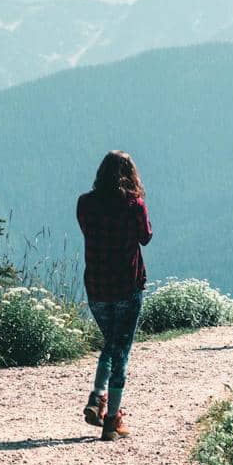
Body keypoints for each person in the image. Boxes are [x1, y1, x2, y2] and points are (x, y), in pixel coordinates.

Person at [76, 150, 152, 441]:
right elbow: (145, 237)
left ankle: (97, 397)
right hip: (127, 285)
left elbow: (88, 231)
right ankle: (112, 419)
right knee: (121, 351)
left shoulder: (85, 203)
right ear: (130, 175)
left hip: (96, 286)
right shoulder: (134, 205)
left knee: (111, 342)